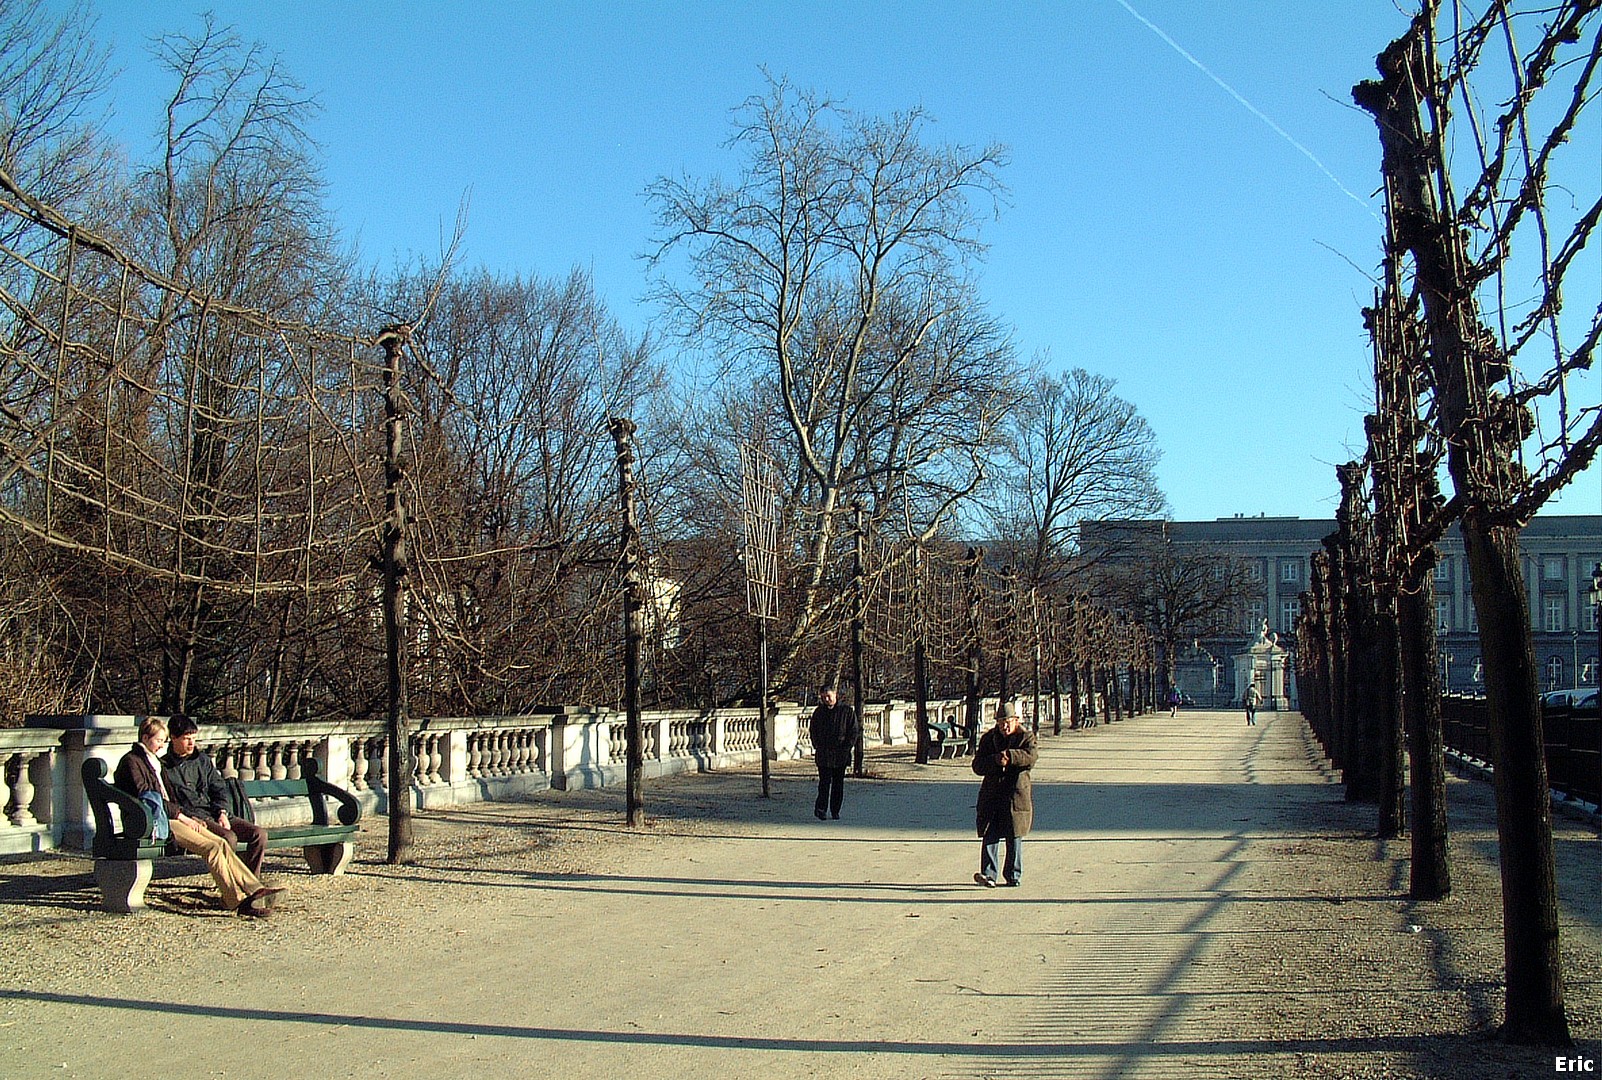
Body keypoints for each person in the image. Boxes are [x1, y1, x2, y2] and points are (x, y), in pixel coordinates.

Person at [114, 717, 284, 917]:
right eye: (159, 740)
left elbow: (208, 790)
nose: (162, 745)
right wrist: (184, 816)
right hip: (154, 822)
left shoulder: (152, 760)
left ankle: (254, 890)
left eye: (163, 741)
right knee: (212, 847)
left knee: (220, 843)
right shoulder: (133, 761)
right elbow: (150, 798)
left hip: (172, 817)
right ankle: (236, 900)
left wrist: (192, 815)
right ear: (145, 738)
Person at [162, 714, 269, 876]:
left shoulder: (202, 760)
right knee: (229, 838)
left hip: (216, 812)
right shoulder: (164, 768)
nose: (191, 743)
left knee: (259, 834)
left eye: (193, 738)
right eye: (186, 738)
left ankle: (253, 881)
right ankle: (234, 889)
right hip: (196, 818)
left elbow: (219, 788)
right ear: (173, 738)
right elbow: (173, 803)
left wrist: (222, 812)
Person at [972, 700, 1037, 888]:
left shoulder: (1026, 737)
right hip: (992, 795)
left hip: (1015, 795)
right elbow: (977, 765)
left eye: (1008, 721)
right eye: (1001, 722)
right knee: (989, 834)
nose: (1004, 726)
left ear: (1016, 720)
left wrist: (1011, 757)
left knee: (1014, 835)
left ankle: (1013, 875)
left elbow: (1031, 758)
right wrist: (994, 760)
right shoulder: (988, 739)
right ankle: (988, 874)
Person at [808, 685, 859, 820]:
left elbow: (853, 731)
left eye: (828, 696)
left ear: (835, 694)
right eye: (823, 697)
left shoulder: (847, 711)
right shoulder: (818, 712)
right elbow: (813, 730)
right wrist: (817, 745)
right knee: (824, 783)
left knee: (838, 784)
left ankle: (835, 810)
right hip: (823, 753)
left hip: (840, 754)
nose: (826, 699)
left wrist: (847, 747)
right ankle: (821, 809)